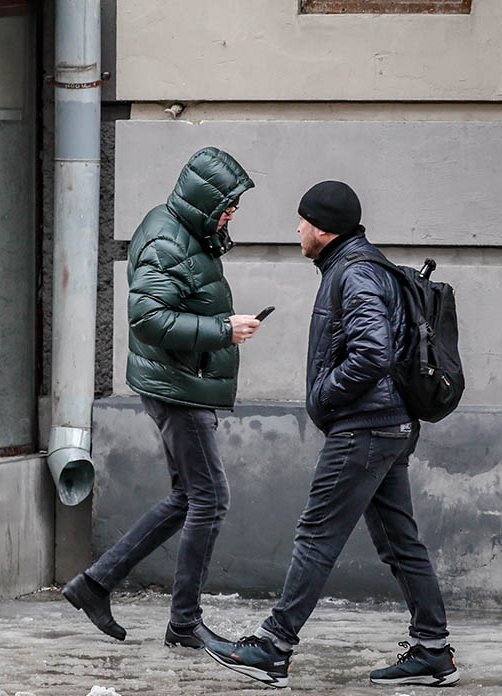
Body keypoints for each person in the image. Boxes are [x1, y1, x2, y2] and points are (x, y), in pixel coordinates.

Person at [204, 181, 458, 689]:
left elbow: (371, 353)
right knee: (400, 542)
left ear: (322, 227)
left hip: (365, 426)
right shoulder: (357, 264)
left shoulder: (355, 272)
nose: (297, 229)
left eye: (302, 221)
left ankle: (273, 647)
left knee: (317, 535)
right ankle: (433, 650)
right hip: (387, 424)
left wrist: (325, 395)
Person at [61, 147, 261, 649]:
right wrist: (223, 330)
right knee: (211, 498)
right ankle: (185, 623)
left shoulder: (187, 231)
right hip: (177, 388)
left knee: (187, 497)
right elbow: (148, 319)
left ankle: (95, 583)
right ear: (204, 201)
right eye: (228, 204)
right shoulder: (167, 242)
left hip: (179, 381)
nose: (233, 213)